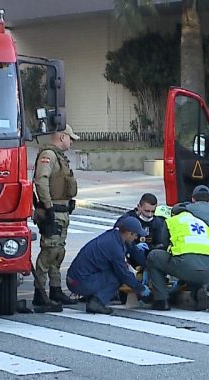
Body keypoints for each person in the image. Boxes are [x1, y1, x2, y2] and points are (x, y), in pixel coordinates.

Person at [33, 124, 80, 308]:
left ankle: (55, 289)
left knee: (58, 252)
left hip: (62, 210)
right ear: (62, 137)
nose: (71, 142)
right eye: (70, 138)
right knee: (49, 252)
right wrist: (48, 206)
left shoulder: (59, 157)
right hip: (53, 212)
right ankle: (40, 293)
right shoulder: (49, 155)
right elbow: (41, 180)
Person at [66, 217, 151, 315]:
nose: (136, 238)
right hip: (79, 282)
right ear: (128, 233)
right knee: (117, 277)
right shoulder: (115, 247)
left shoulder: (115, 236)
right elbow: (123, 275)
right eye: (135, 235)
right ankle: (97, 302)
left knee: (115, 273)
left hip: (76, 279)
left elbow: (133, 250)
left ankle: (93, 297)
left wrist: (147, 266)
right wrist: (140, 288)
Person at [146, 208, 209, 311]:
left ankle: (161, 300)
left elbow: (165, 245)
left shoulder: (172, 221)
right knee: (194, 267)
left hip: (187, 264)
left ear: (173, 214)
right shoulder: (203, 223)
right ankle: (197, 291)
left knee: (154, 256)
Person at [114, 193, 166, 270]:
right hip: (128, 257)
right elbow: (116, 242)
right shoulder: (126, 220)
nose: (149, 215)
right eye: (147, 211)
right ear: (139, 207)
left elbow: (160, 244)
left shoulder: (157, 223)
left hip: (147, 258)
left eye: (153, 211)